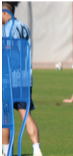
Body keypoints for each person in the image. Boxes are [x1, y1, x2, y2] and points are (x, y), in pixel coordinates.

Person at [2, 1, 43, 156]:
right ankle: (37, 149)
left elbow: (8, 53)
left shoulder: (7, 29)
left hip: (9, 78)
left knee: (5, 116)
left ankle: (6, 152)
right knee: (26, 115)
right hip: (25, 78)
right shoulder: (23, 26)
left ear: (4, 12)